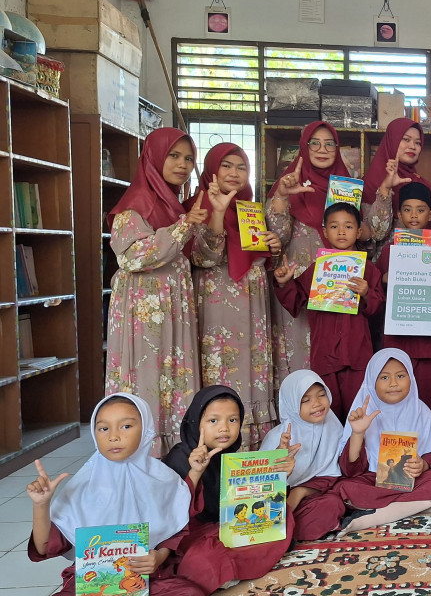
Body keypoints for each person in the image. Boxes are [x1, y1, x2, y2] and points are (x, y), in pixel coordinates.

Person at [106, 127, 226, 454]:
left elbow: (206, 256)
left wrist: (212, 214)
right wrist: (185, 225)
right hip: (144, 308)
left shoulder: (176, 206)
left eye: (189, 158)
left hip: (173, 305)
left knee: (174, 380)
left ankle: (175, 457)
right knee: (146, 378)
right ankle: (143, 455)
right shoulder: (134, 205)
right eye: (174, 155)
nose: (183, 164)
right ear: (154, 157)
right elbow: (131, 255)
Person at [28, 394, 200, 595]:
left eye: (126, 426)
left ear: (145, 429)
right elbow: (43, 547)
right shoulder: (82, 487)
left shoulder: (165, 480)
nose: (113, 436)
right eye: (104, 428)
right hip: (94, 582)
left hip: (150, 578)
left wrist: (159, 557)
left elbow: (175, 532)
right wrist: (41, 504)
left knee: (190, 592)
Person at [187, 143, 282, 449]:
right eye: (226, 165)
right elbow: (204, 256)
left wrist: (273, 245)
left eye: (242, 167)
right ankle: (217, 442)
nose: (234, 173)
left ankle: (253, 448)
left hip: (252, 300)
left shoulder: (250, 209)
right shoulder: (196, 205)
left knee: (251, 365)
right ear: (212, 168)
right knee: (220, 366)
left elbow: (260, 258)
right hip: (217, 299)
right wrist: (217, 211)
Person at [161, 385, 291, 594]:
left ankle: (229, 568)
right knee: (202, 558)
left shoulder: (231, 456)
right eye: (213, 421)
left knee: (282, 515)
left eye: (233, 420)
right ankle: (225, 568)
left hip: (226, 524)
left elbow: (251, 498)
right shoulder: (180, 456)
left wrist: (278, 471)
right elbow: (170, 514)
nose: (224, 428)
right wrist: (195, 472)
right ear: (196, 423)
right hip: (189, 532)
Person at [266, 121, 353, 398]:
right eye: (314, 142)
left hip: (338, 287)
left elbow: (368, 233)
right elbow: (274, 237)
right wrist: (281, 196)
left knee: (336, 357)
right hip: (297, 287)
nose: (322, 149)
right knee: (301, 354)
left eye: (329, 143)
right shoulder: (289, 184)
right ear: (303, 147)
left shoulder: (347, 186)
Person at [274, 202, 383, 417]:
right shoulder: (317, 269)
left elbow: (378, 309)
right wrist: (285, 283)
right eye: (334, 226)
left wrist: (367, 293)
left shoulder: (368, 269)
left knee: (358, 410)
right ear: (324, 232)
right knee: (328, 413)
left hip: (357, 354)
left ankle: (355, 451)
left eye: (348, 226)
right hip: (325, 353)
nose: (341, 231)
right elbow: (296, 303)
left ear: (359, 231)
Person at [335, 350, 431, 532]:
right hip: (372, 481)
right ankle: (418, 507)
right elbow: (350, 470)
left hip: (412, 481)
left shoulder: (420, 410)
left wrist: (422, 465)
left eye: (400, 376)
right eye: (384, 378)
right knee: (343, 488)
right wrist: (358, 433)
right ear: (372, 381)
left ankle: (372, 516)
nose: (393, 384)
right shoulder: (362, 412)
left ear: (411, 378)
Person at [377, 182, 431, 412]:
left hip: (428, 341)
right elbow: (377, 295)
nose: (414, 215)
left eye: (420, 209)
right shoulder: (389, 251)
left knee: (426, 400)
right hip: (397, 339)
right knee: (395, 399)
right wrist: (384, 280)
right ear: (398, 214)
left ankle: (426, 447)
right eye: (407, 209)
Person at [260, 370, 348, 541]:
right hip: (280, 499)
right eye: (305, 400)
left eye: (321, 395)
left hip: (312, 495)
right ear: (292, 404)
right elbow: (259, 485)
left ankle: (287, 533)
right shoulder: (278, 437)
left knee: (333, 503)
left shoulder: (333, 426)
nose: (316, 404)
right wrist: (279, 457)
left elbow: (334, 473)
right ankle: (284, 532)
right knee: (266, 514)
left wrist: (300, 492)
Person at [362, 117, 431, 255]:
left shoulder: (422, 185)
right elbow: (376, 234)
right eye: (406, 139)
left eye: (417, 142)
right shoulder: (370, 182)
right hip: (383, 265)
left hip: (420, 264)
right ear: (392, 140)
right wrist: (385, 188)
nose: (412, 146)